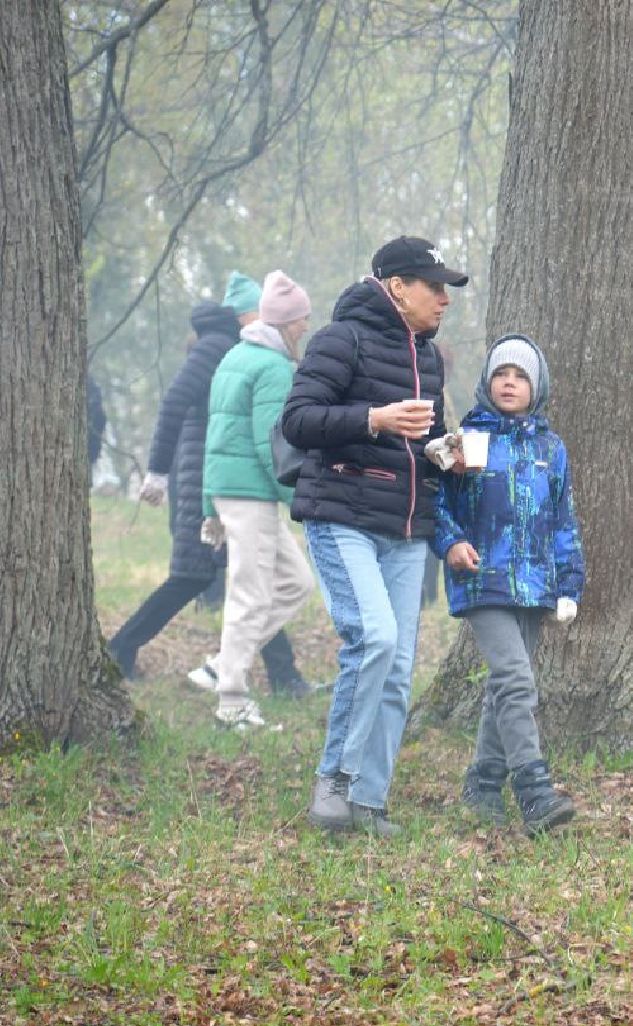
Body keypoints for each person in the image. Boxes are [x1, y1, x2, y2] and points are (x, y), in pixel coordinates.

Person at [282, 236, 467, 838]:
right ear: (396, 287)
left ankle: (370, 800)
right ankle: (333, 779)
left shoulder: (430, 357)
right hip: (343, 517)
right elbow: (299, 420)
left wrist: (448, 453)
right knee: (377, 639)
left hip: (408, 529)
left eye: (447, 288)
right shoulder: (341, 339)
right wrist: (373, 418)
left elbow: (427, 442)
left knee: (399, 668)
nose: (444, 299)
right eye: (433, 286)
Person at [106, 272, 309, 695]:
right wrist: (158, 471)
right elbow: (176, 401)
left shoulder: (235, 349)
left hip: (219, 477)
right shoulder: (218, 348)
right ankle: (124, 648)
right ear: (245, 313)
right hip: (216, 478)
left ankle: (273, 674)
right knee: (205, 578)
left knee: (251, 579)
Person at [430, 335, 584, 836]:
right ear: (486, 383)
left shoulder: (551, 449)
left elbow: (563, 521)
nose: (509, 383)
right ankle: (534, 790)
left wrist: (569, 585)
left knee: (504, 688)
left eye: (520, 376)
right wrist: (451, 543)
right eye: (501, 375)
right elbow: (437, 505)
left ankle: (483, 783)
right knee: (517, 681)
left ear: (536, 386)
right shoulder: (468, 441)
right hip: (482, 581)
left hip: (535, 586)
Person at [200, 271, 317, 729]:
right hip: (250, 493)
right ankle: (231, 701)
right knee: (250, 594)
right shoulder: (272, 368)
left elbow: (215, 434)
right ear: (286, 322)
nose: (306, 327)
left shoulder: (235, 357)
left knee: (296, 582)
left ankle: (222, 665)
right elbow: (273, 447)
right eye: (303, 319)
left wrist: (211, 507)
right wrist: (299, 499)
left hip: (234, 491)